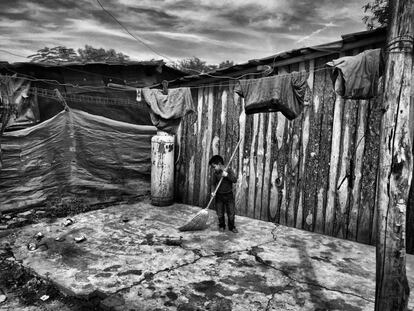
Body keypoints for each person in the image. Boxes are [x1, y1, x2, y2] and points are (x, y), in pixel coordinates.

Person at [208, 155, 238, 233]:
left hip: (229, 195)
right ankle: (222, 225)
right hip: (219, 196)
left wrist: (227, 175)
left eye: (214, 167)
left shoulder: (228, 170)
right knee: (219, 213)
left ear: (219, 164)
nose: (213, 169)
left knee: (231, 213)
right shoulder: (215, 173)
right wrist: (213, 191)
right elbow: (213, 184)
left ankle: (232, 227)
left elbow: (234, 180)